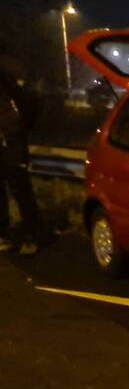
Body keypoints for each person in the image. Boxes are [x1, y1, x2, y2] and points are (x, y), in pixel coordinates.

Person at [0, 66, 42, 255]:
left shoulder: (6, 82)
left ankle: (33, 236)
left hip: (12, 140)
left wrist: (20, 129)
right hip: (6, 139)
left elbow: (30, 105)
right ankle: (4, 235)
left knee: (21, 188)